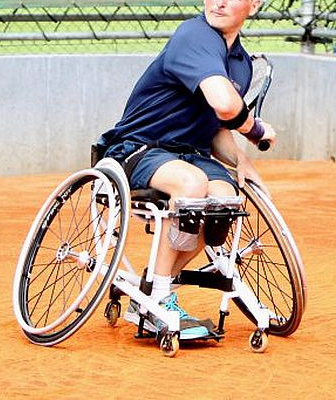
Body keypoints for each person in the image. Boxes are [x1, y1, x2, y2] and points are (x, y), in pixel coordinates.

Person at [96, 0, 276, 340]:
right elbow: (226, 105)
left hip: (192, 154)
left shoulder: (240, 63)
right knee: (192, 184)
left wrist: (242, 161)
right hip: (140, 148)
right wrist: (255, 130)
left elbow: (217, 127)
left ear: (254, 5)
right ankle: (159, 298)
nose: (218, 2)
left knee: (224, 200)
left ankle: (152, 288)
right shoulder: (194, 35)